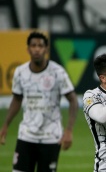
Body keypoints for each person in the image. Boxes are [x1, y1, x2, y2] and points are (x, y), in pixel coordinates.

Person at [0, 31, 78, 172]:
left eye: (40, 46)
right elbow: (17, 99)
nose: (37, 49)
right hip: (26, 135)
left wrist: (69, 130)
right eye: (33, 45)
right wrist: (5, 125)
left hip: (51, 137)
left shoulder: (58, 72)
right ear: (28, 49)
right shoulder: (20, 72)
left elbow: (73, 100)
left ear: (46, 49)